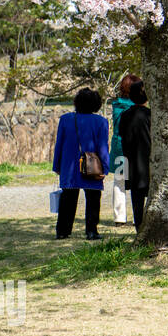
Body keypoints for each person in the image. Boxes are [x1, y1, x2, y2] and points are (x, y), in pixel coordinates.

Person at [51, 88, 111, 241]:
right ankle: (91, 231)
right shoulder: (101, 122)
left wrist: (57, 166)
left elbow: (59, 144)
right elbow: (103, 147)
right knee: (93, 198)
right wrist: (105, 167)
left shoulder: (65, 119)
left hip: (69, 165)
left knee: (68, 199)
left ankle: (63, 231)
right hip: (92, 165)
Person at [118, 82, 151, 231]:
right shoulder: (151, 115)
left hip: (130, 159)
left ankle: (139, 227)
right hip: (149, 160)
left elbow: (121, 135)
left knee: (136, 197)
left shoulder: (125, 115)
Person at [109, 74, 140, 225]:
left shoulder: (116, 106)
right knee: (136, 182)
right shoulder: (136, 107)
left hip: (119, 147)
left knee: (119, 182)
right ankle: (138, 216)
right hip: (134, 148)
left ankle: (119, 217)